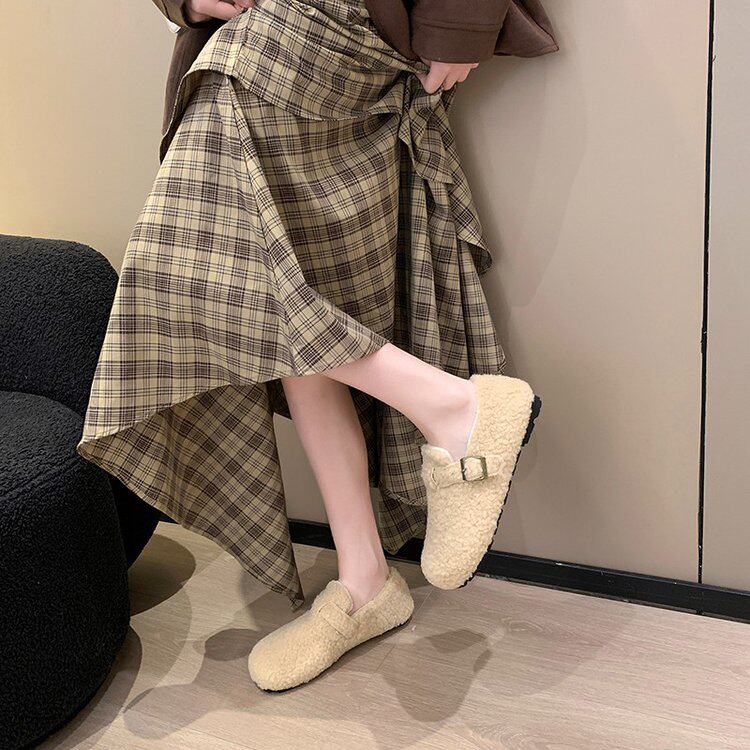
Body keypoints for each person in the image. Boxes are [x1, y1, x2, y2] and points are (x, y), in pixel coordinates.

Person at [78, 0, 555, 691]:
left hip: (321, 31)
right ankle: (366, 576)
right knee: (293, 292)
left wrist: (461, 20)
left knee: (201, 269)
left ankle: (454, 414)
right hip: (255, 29)